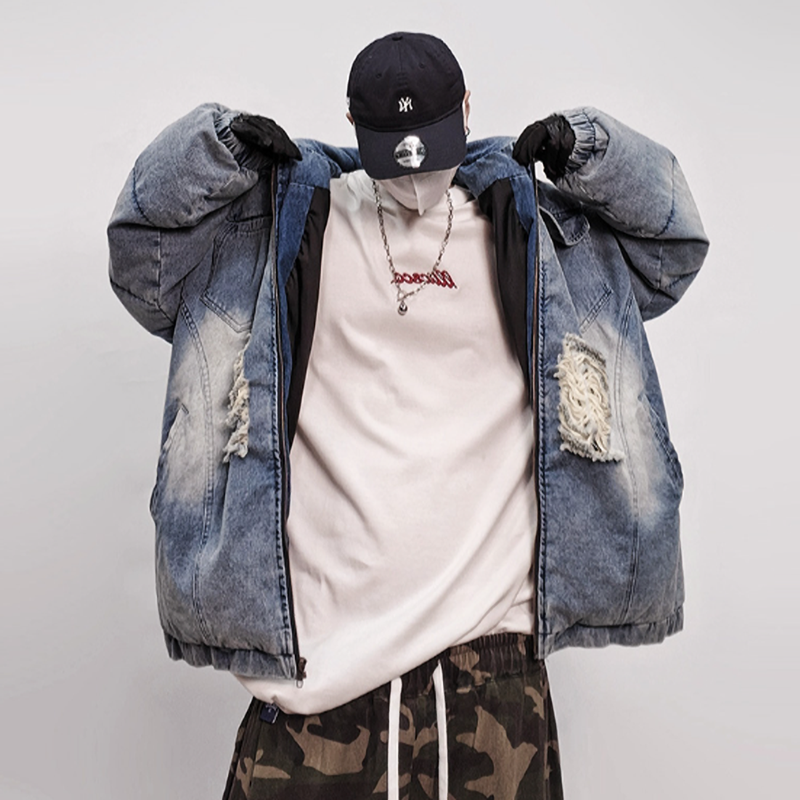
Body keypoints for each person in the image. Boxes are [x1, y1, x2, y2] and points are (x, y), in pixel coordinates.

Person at [108, 31, 708, 800]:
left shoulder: (543, 235)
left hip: (493, 672)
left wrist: (590, 150)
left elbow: (673, 248)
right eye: (396, 159)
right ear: (354, 127)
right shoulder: (281, 231)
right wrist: (212, 149)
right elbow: (143, 261)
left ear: (468, 110)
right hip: (318, 673)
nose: (418, 180)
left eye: (434, 148)